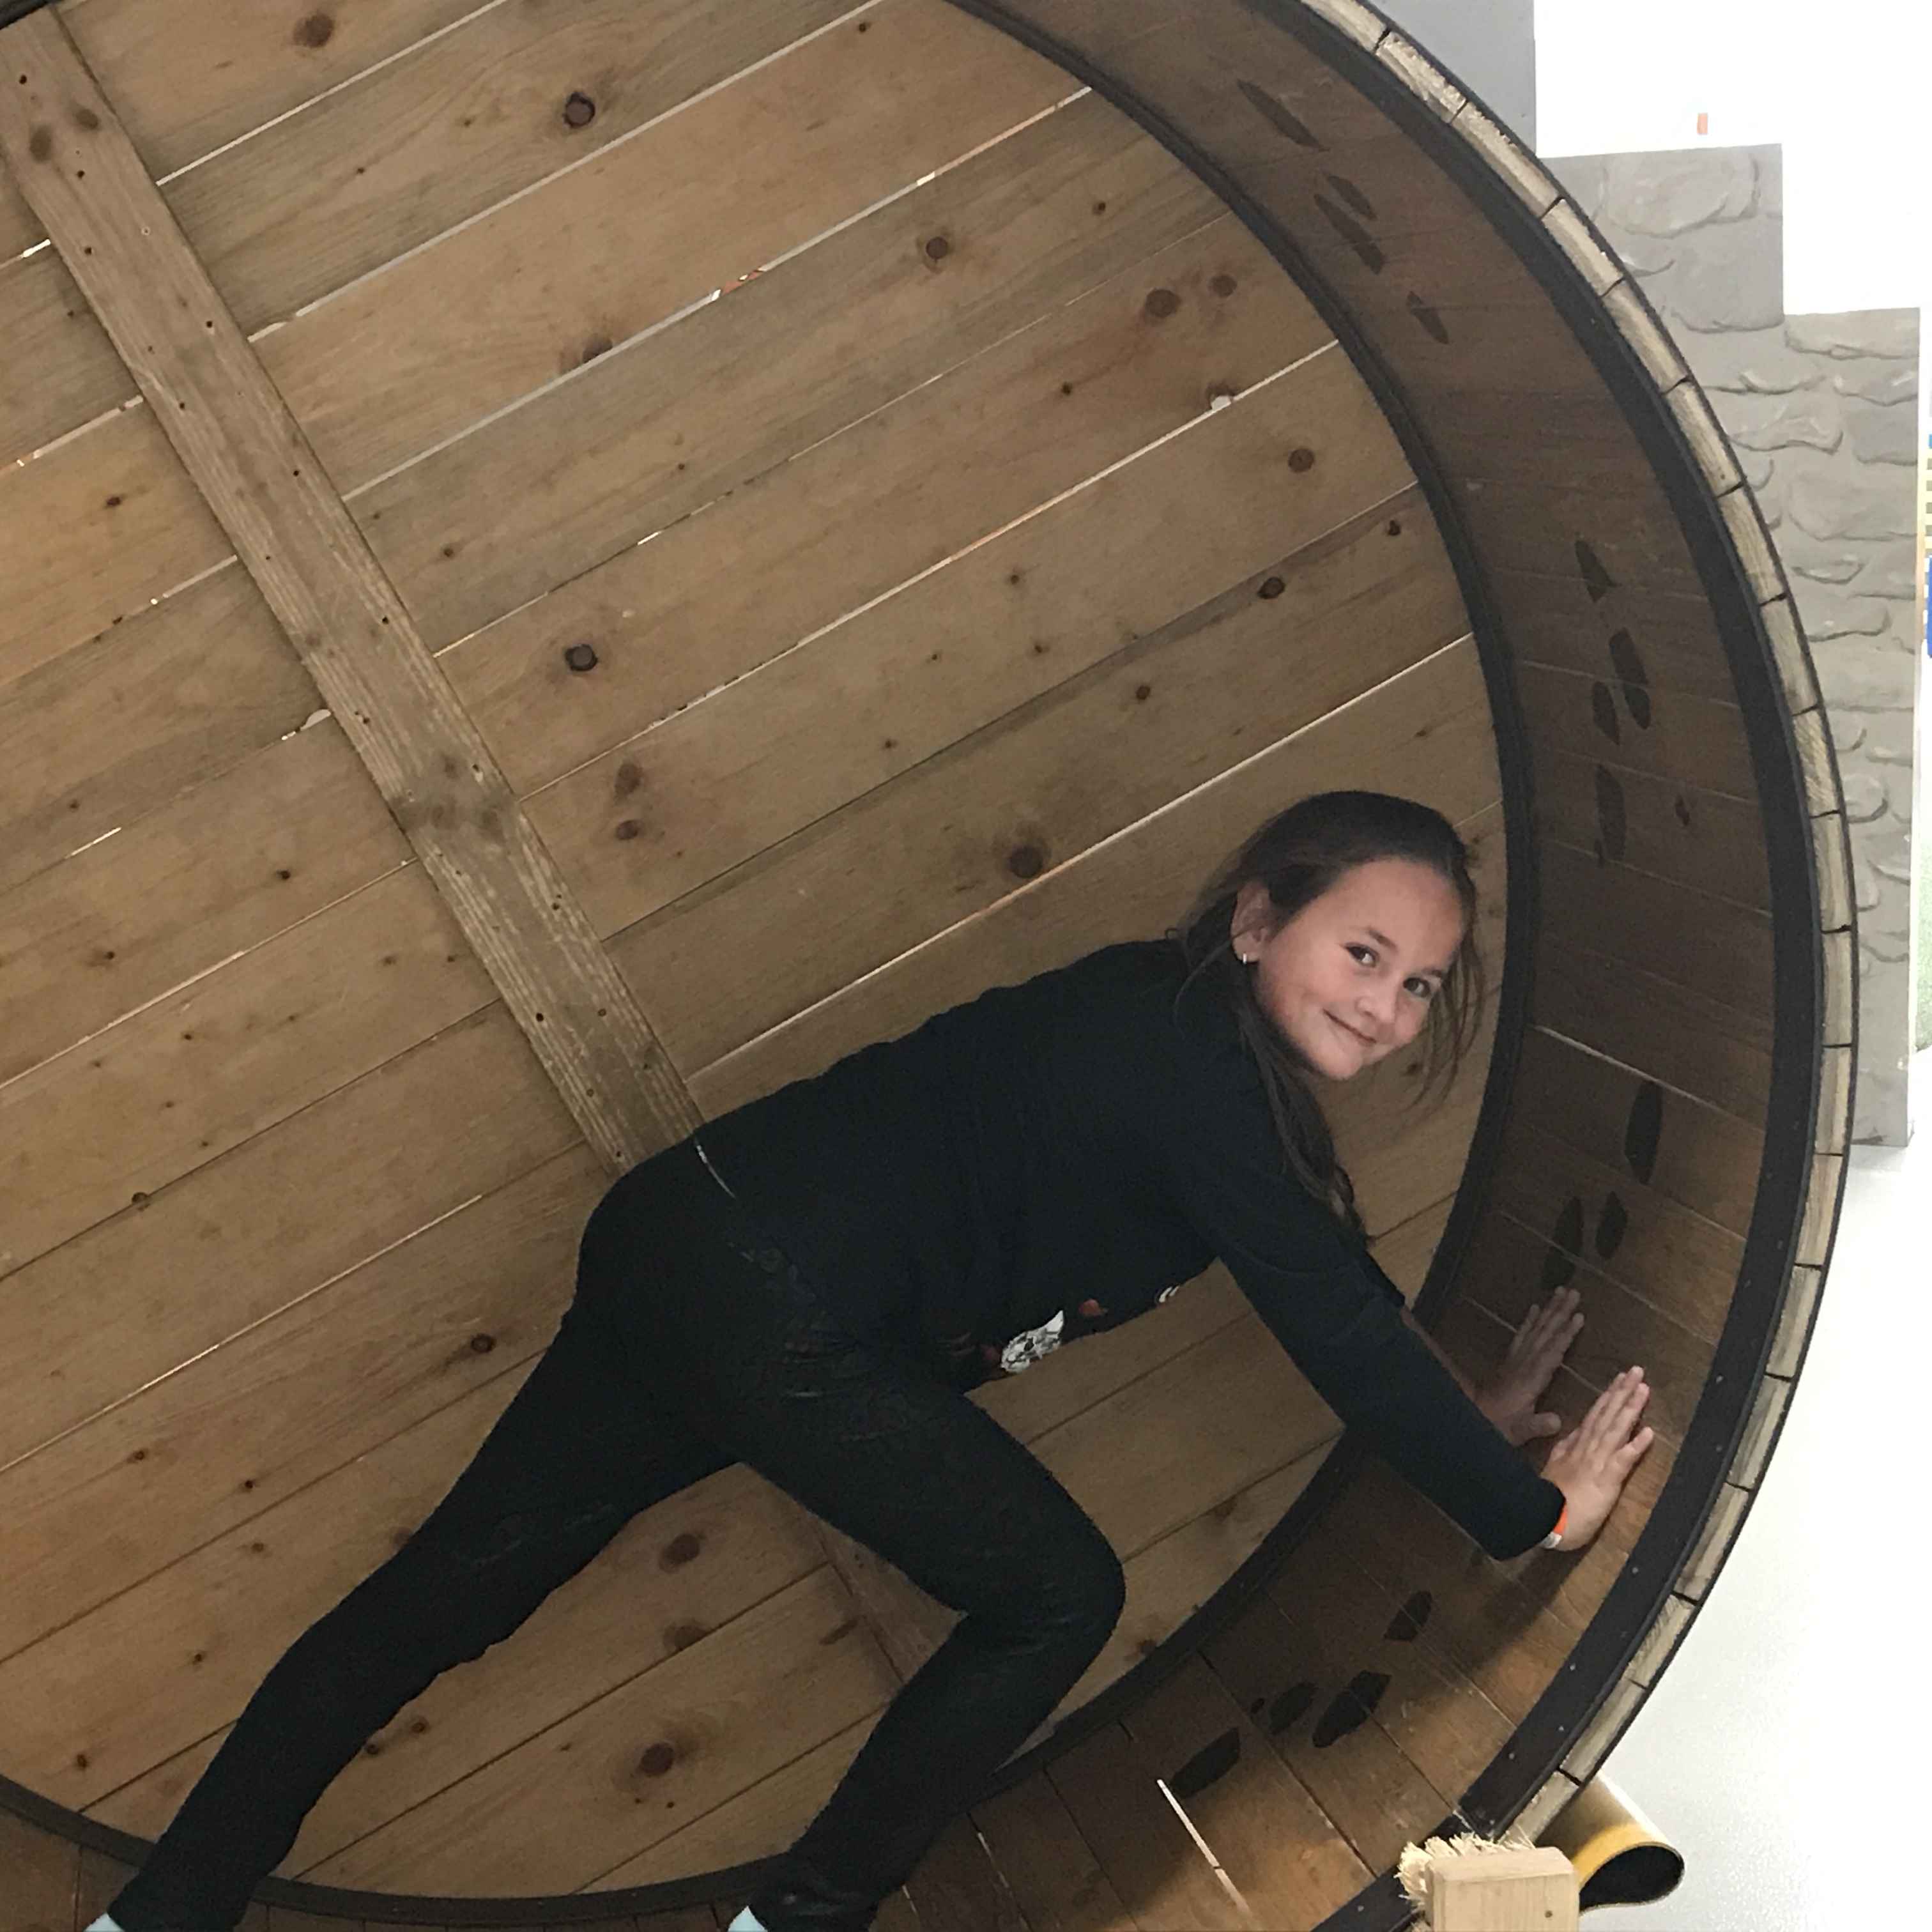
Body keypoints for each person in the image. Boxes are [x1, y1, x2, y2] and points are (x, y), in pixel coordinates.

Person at [98, 790, 1652, 1932]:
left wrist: (1473, 1417)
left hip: (690, 1249)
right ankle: (803, 1923)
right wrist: (1531, 1515)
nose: (1386, 1007)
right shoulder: (1186, 1063)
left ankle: (157, 1918)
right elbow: (1334, 1317)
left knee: (442, 1599)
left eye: (1419, 984)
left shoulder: (1188, 1045)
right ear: (1258, 922)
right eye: (1364, 953)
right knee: (1057, 1594)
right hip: (776, 1300)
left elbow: (1328, 1271)